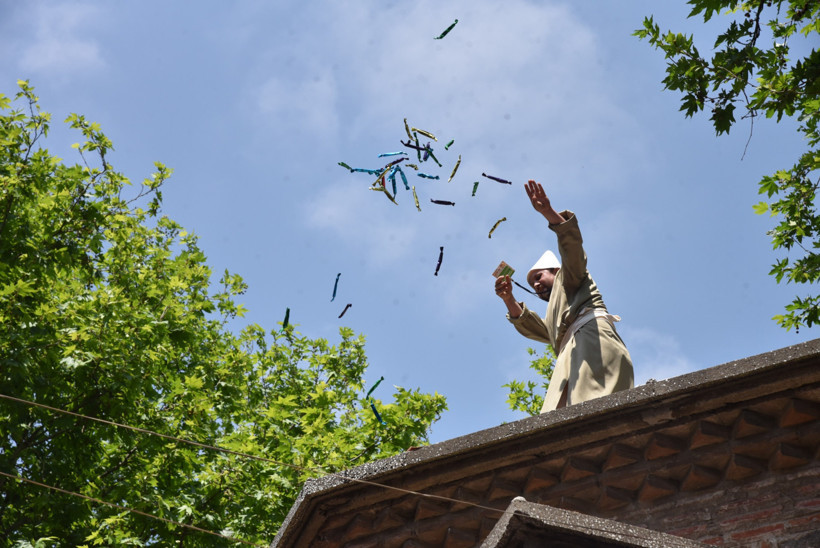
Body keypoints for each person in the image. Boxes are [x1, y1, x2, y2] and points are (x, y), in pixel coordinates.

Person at [495, 180, 633, 412]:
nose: (536, 284)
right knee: (554, 420)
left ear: (556, 271)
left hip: (591, 343)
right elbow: (536, 327)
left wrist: (548, 212)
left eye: (539, 276)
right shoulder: (557, 319)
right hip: (569, 356)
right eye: (532, 283)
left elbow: (572, 248)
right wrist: (508, 299)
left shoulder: (570, 277)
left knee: (596, 409)